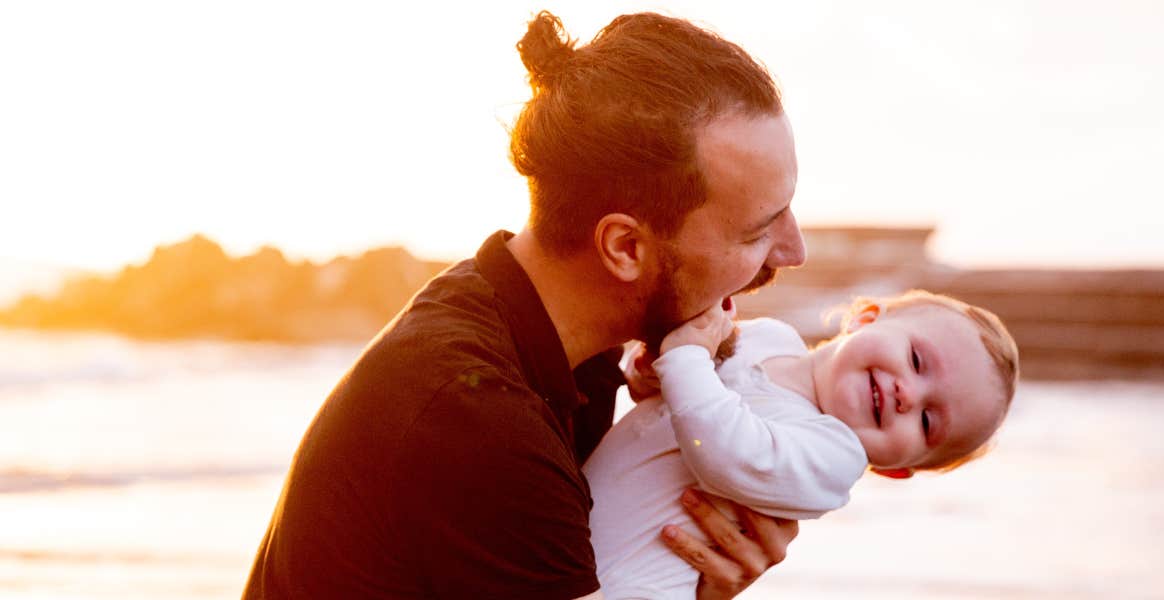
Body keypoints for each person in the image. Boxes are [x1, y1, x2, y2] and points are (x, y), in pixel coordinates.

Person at [243, 10, 808, 600]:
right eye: (757, 231)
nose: (795, 251)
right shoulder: (478, 420)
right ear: (625, 247)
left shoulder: (546, 347)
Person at [584, 290, 1020, 599]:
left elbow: (725, 452)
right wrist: (649, 371)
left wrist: (683, 359)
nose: (908, 393)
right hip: (567, 520)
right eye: (917, 360)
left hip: (631, 585)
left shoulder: (833, 458)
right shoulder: (769, 336)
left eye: (927, 421)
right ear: (866, 317)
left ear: (893, 470)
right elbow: (680, 391)